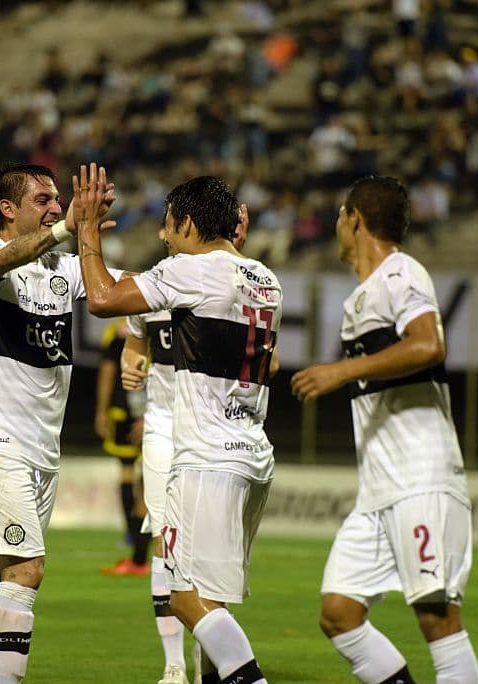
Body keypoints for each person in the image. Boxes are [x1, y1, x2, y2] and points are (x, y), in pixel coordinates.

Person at [75, 165, 280, 684]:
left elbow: (100, 298)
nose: (165, 237)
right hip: (252, 452)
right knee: (216, 596)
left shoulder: (190, 271)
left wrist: (87, 233)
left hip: (206, 455)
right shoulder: (266, 280)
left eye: (169, 225)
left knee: (185, 596)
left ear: (188, 223)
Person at [290, 176, 478, 684]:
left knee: (437, 619)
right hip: (378, 489)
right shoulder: (361, 298)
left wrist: (341, 370)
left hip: (421, 475)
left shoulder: (402, 273)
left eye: (338, 216)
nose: (335, 227)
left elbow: (427, 345)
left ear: (355, 218)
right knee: (339, 613)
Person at [0, 162, 119, 684]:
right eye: (43, 199)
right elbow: (3, 260)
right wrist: (69, 227)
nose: (54, 206)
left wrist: (86, 237)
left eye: (57, 200)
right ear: (8, 208)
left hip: (41, 452)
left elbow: (117, 295)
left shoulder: (63, 270)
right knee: (26, 570)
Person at [121, 204, 252, 684]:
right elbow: (134, 341)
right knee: (166, 540)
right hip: (163, 422)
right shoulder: (151, 287)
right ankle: (175, 664)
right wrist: (129, 360)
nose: (164, 232)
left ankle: (210, 663)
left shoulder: (223, 282)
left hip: (212, 427)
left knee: (207, 557)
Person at [96, 318, 152, 577]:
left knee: (140, 480)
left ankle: (136, 544)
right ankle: (138, 552)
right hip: (154, 413)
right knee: (145, 481)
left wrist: (101, 410)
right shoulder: (168, 320)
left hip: (149, 415)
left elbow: (108, 370)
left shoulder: (120, 329)